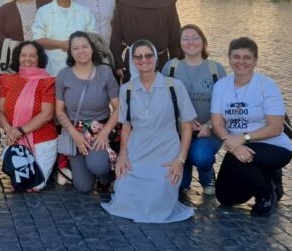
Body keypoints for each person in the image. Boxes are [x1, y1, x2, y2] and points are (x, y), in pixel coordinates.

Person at [102, 39, 197, 223]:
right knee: (124, 193)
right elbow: (126, 127)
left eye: (148, 55)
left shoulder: (174, 86)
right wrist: (123, 155)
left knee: (158, 193)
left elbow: (187, 126)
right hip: (137, 149)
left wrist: (180, 160)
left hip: (166, 150)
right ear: (132, 60)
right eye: (138, 57)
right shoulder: (126, 89)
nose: (143, 60)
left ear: (155, 58)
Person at [211, 37, 292, 216]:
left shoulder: (267, 86)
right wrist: (231, 143)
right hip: (237, 146)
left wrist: (243, 137)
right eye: (236, 56)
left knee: (234, 160)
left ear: (255, 60)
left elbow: (276, 127)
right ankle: (265, 175)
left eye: (247, 57)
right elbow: (216, 122)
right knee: (225, 197)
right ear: (229, 58)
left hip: (273, 146)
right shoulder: (221, 86)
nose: (241, 61)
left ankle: (265, 194)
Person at [162, 24, 228, 196]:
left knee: (201, 156)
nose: (191, 42)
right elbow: (162, 102)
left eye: (195, 38)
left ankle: (206, 172)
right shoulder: (170, 68)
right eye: (185, 38)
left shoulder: (216, 69)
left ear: (203, 42)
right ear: (179, 43)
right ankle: (186, 169)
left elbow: (227, 105)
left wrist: (210, 125)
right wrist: (183, 122)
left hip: (207, 132)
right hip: (177, 132)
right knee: (180, 185)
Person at [55, 31, 119, 193]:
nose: (81, 51)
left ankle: (106, 177)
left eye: (85, 46)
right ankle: (79, 164)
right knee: (83, 186)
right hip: (75, 131)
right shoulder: (63, 75)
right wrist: (74, 135)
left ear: (92, 48)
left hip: (100, 131)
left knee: (98, 165)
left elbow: (118, 108)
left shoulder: (105, 73)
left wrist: (105, 133)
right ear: (70, 52)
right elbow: (59, 111)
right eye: (75, 48)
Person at [0, 41, 57, 191]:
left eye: (32, 55)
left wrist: (20, 131)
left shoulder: (47, 81)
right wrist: (9, 130)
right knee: (22, 183)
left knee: (35, 185)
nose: (27, 59)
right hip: (15, 139)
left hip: (42, 140)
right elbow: (0, 111)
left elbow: (47, 114)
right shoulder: (6, 80)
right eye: (23, 55)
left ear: (39, 58)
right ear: (17, 57)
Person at [109, 0, 181, 81]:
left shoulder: (167, 2)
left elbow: (175, 37)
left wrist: (176, 63)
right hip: (131, 63)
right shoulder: (123, 2)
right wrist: (117, 63)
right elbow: (116, 35)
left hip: (161, 62)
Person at [33, 0, 97, 75]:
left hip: (82, 68)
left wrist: (76, 46)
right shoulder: (44, 11)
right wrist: (62, 44)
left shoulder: (84, 11)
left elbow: (94, 37)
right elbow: (38, 39)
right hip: (53, 68)